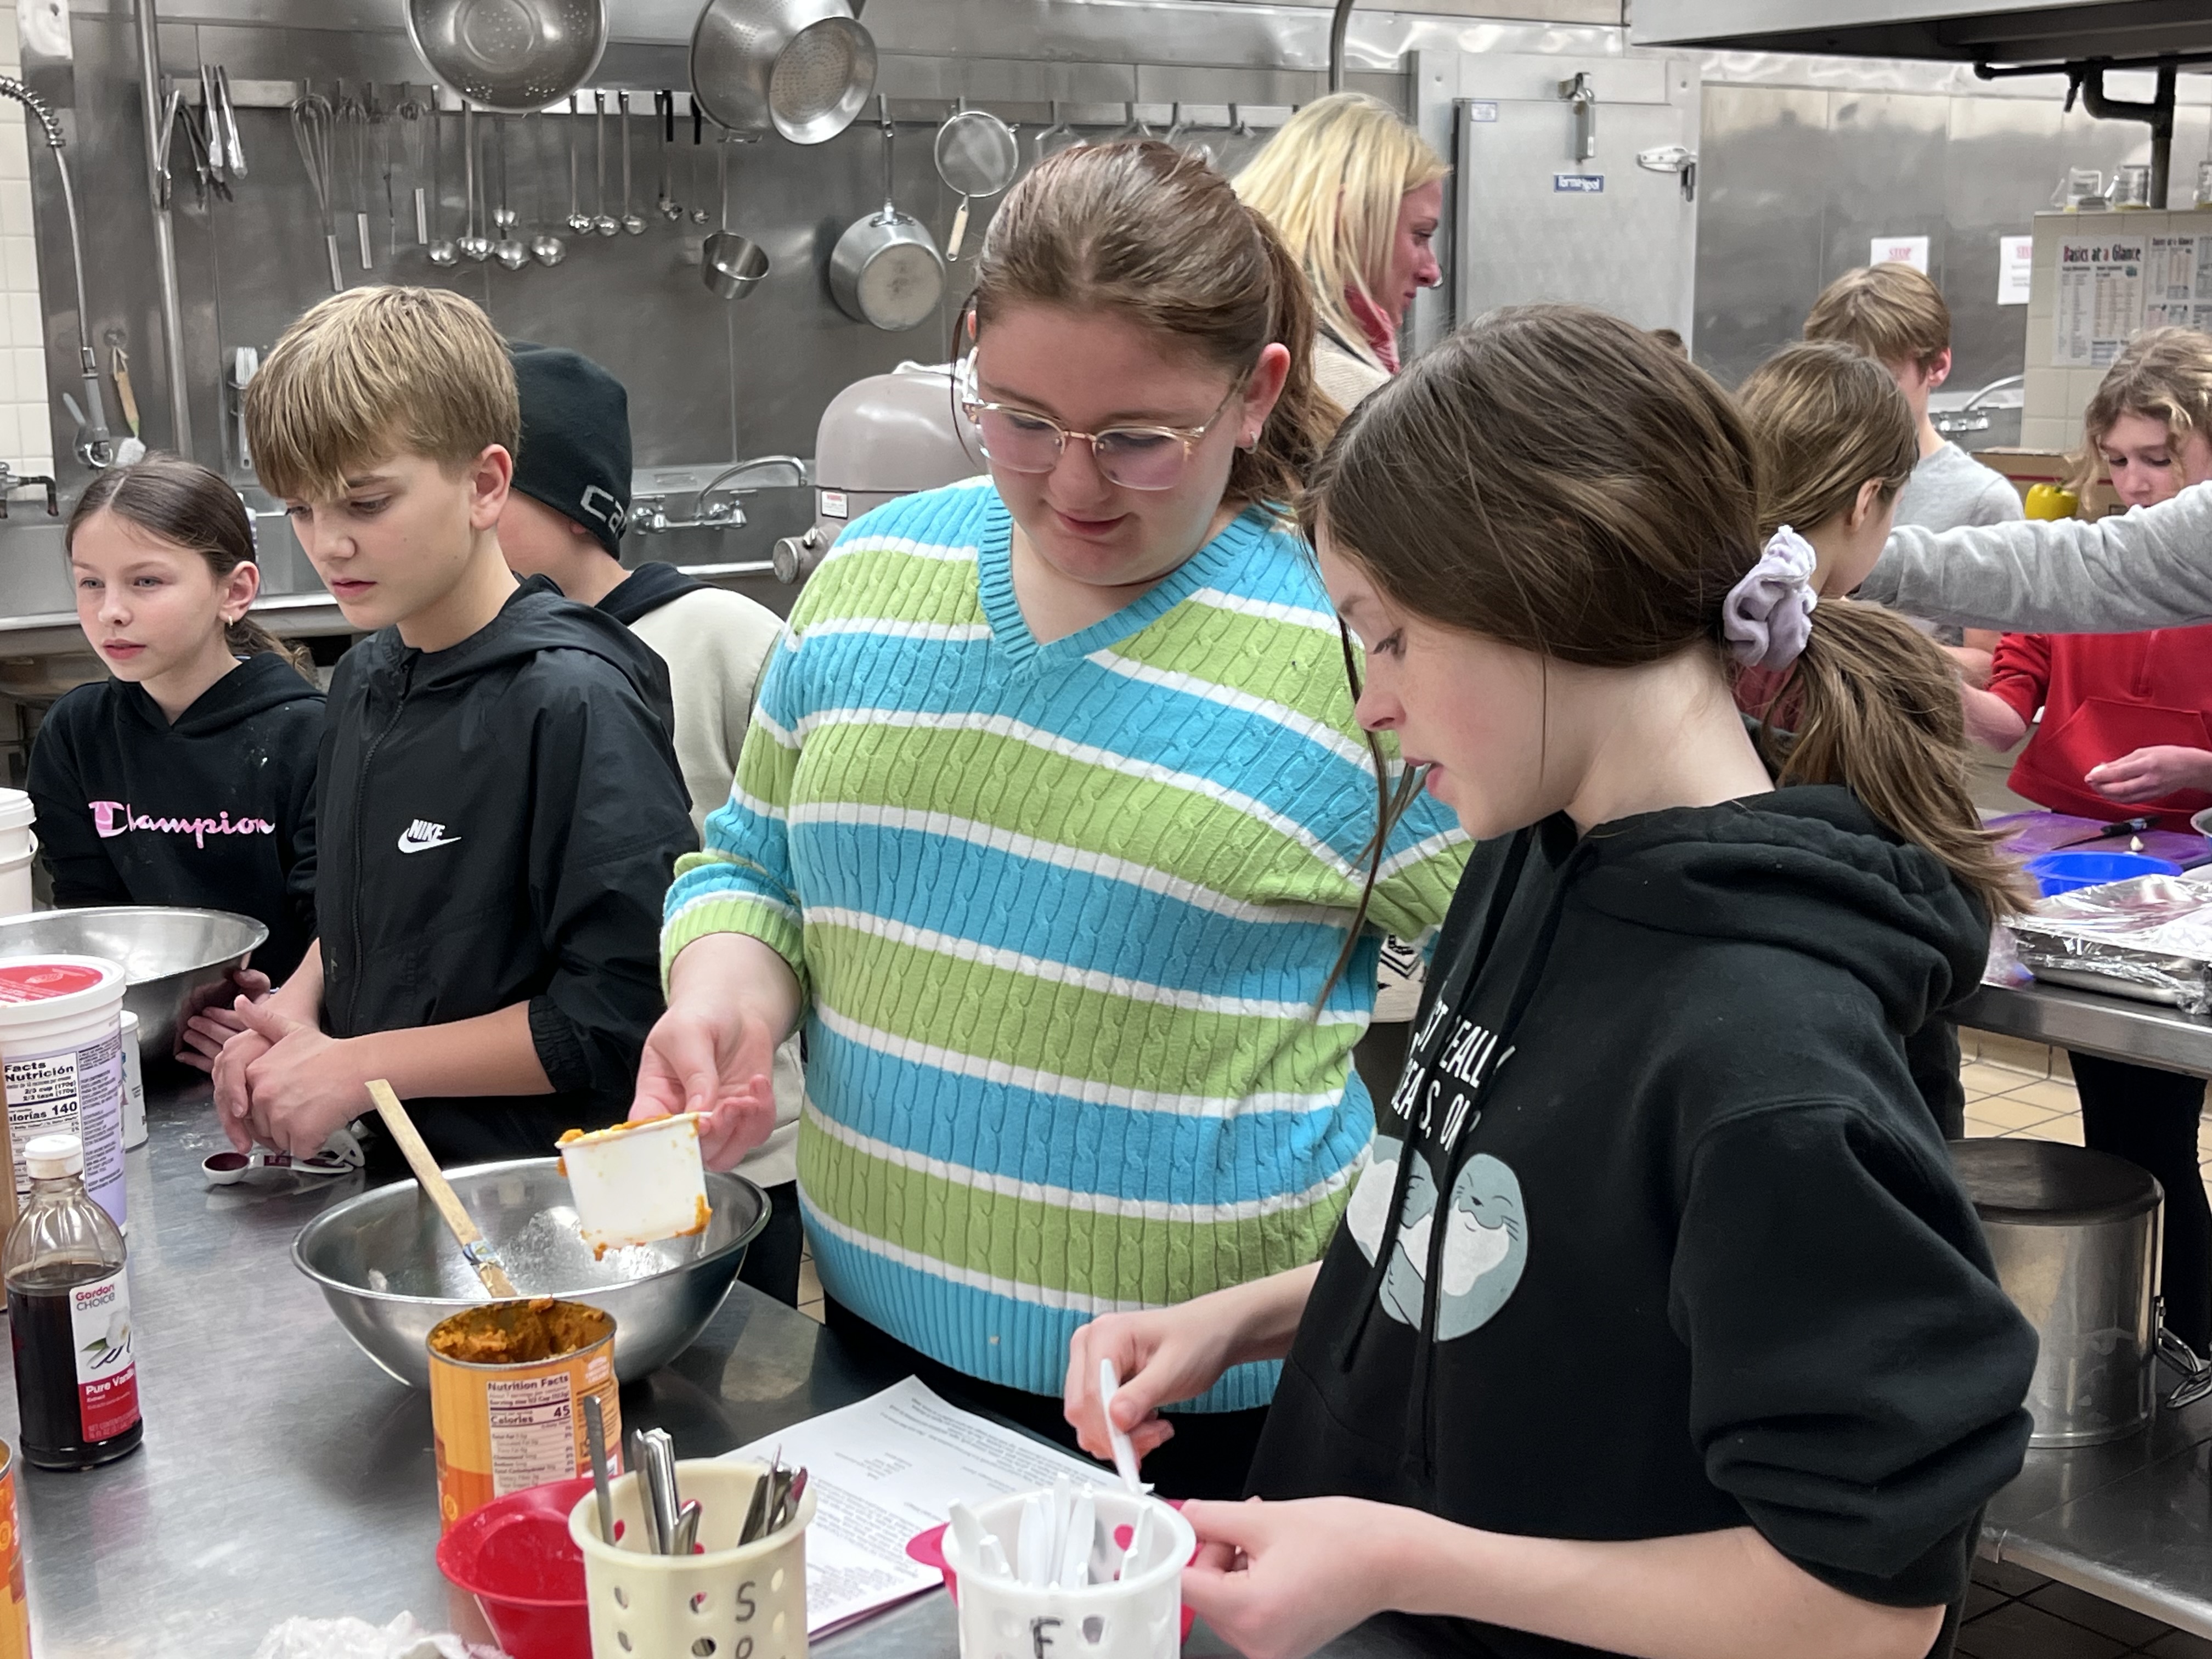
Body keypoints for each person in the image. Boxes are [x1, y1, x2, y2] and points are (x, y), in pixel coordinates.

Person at [1063, 305, 2036, 1659]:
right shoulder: (1530, 851)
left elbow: (1865, 1603)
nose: (1369, 705)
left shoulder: (1771, 1061)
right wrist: (1250, 1319)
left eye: (1388, 639)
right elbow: (1534, 1251)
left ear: (1546, 591)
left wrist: (1407, 1558)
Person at [633, 141, 1467, 1499]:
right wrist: (730, 998)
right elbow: (755, 865)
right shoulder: (874, 578)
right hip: (875, 1368)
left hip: (1206, 1417)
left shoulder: (1344, 644)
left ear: (1254, 395)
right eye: (1018, 419)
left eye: (1139, 440)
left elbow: (1532, 995)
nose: (1073, 487)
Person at [199, 286, 696, 1172]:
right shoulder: (360, 680)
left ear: (484, 484)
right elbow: (383, 907)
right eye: (302, 510)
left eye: (365, 502)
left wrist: (356, 1068)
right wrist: (298, 1020)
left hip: (553, 1201)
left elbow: (617, 1012)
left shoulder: (574, 699)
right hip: (400, 1181)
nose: (327, 545)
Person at [495, 340, 804, 1307]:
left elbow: (782, 864)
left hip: (732, 1127)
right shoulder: (481, 664)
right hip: (566, 1119)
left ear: (573, 500)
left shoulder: (720, 634)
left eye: (489, 480)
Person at [1956, 327, 2212, 1357]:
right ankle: (2131, 1340)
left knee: (2148, 1128)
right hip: (2077, 875)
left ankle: (2184, 1332)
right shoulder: (2086, 567)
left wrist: (2199, 772)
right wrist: (1889, 655)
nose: (2134, 483)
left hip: (2187, 884)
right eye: (2115, 460)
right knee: (2119, 1126)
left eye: (2159, 458)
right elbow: (2005, 705)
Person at [1234, 92, 1449, 1092]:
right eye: (1416, 233)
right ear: (1345, 215)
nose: (1429, 267)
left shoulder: (1256, 372)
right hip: (1350, 815)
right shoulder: (1352, 404)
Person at [1731, 342, 1983, 1142]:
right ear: (1868, 499)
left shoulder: (1674, 643)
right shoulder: (1882, 671)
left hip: (1716, 1050)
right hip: (1872, 1071)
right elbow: (1950, 918)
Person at [27, 456, 322, 1021]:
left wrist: (278, 1017)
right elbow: (90, 918)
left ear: (234, 592)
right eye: (91, 582)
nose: (111, 611)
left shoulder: (308, 735)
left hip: (286, 1035)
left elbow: (337, 932)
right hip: (134, 1029)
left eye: (146, 581)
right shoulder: (75, 734)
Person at [1804, 262, 2019, 685]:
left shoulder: (1983, 501)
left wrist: (1867, 639)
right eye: (1836, 379)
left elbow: (1996, 670)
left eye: (1879, 378)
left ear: (1937, 367)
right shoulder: (1805, 475)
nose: (1854, 399)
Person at [1234, 92, 1446, 411]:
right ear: (1348, 218)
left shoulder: (1224, 337)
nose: (1432, 273)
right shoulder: (1349, 392)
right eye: (1420, 235)